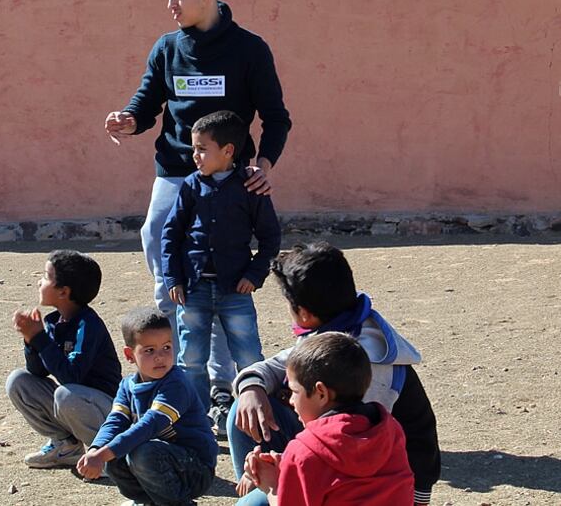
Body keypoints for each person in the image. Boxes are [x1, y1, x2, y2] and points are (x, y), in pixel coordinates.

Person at [105, 0, 292, 429]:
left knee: (225, 278)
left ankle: (226, 382)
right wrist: (129, 119)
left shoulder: (250, 49)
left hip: (232, 180)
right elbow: (147, 102)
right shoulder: (167, 47)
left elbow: (276, 117)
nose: (170, 3)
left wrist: (262, 165)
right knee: (161, 246)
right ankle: (170, 355)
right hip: (174, 173)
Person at [229, 242, 442, 506]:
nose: (291, 398)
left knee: (254, 505)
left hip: (383, 482)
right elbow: (278, 366)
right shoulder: (341, 330)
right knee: (246, 404)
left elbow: (355, 454)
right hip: (357, 459)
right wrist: (252, 387)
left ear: (304, 314)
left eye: (294, 392)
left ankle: (256, 490)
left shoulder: (364, 363)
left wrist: (279, 479)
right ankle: (253, 483)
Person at [162, 109, 280, 434]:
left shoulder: (250, 188)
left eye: (202, 149)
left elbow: (270, 238)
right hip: (194, 289)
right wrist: (173, 278)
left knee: (249, 354)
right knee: (192, 358)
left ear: (228, 151)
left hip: (235, 290)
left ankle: (255, 414)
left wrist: (254, 275)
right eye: (193, 148)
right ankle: (197, 418)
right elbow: (170, 235)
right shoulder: (190, 186)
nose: (195, 156)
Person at [236, 332, 415, 506]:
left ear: (321, 393)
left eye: (294, 392)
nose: (290, 400)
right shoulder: (389, 429)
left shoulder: (305, 451)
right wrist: (286, 464)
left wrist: (271, 487)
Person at [76, 307, 217, 506]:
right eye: (149, 350)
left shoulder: (176, 384)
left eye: (166, 347)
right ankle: (148, 501)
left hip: (194, 468)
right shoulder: (127, 386)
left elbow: (151, 424)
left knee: (140, 452)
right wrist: (96, 449)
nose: (160, 356)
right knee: (113, 455)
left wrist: (104, 453)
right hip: (159, 460)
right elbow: (115, 421)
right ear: (129, 355)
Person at [6, 250, 122, 469]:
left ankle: (108, 457)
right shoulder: (52, 322)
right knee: (19, 380)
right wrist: (32, 340)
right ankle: (66, 446)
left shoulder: (88, 326)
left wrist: (40, 338)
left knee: (66, 394)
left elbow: (71, 376)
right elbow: (38, 372)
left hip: (107, 411)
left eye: (46, 276)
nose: (39, 281)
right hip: (75, 402)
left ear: (63, 292)